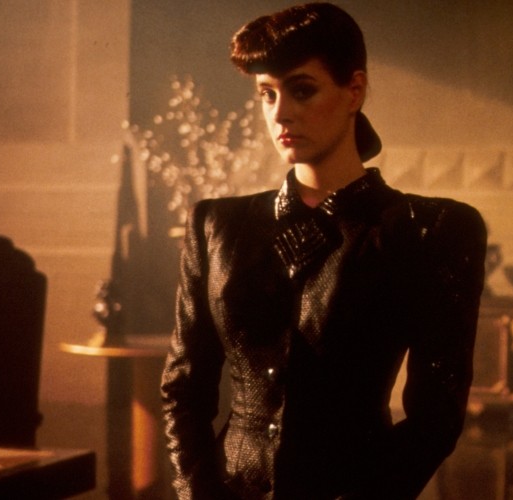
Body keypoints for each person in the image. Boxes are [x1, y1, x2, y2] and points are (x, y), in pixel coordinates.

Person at [160, 4, 487, 499]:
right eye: (267, 94)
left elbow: (437, 417)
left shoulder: (427, 230)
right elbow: (183, 390)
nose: (279, 113)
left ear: (354, 90)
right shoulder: (216, 225)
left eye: (302, 90)